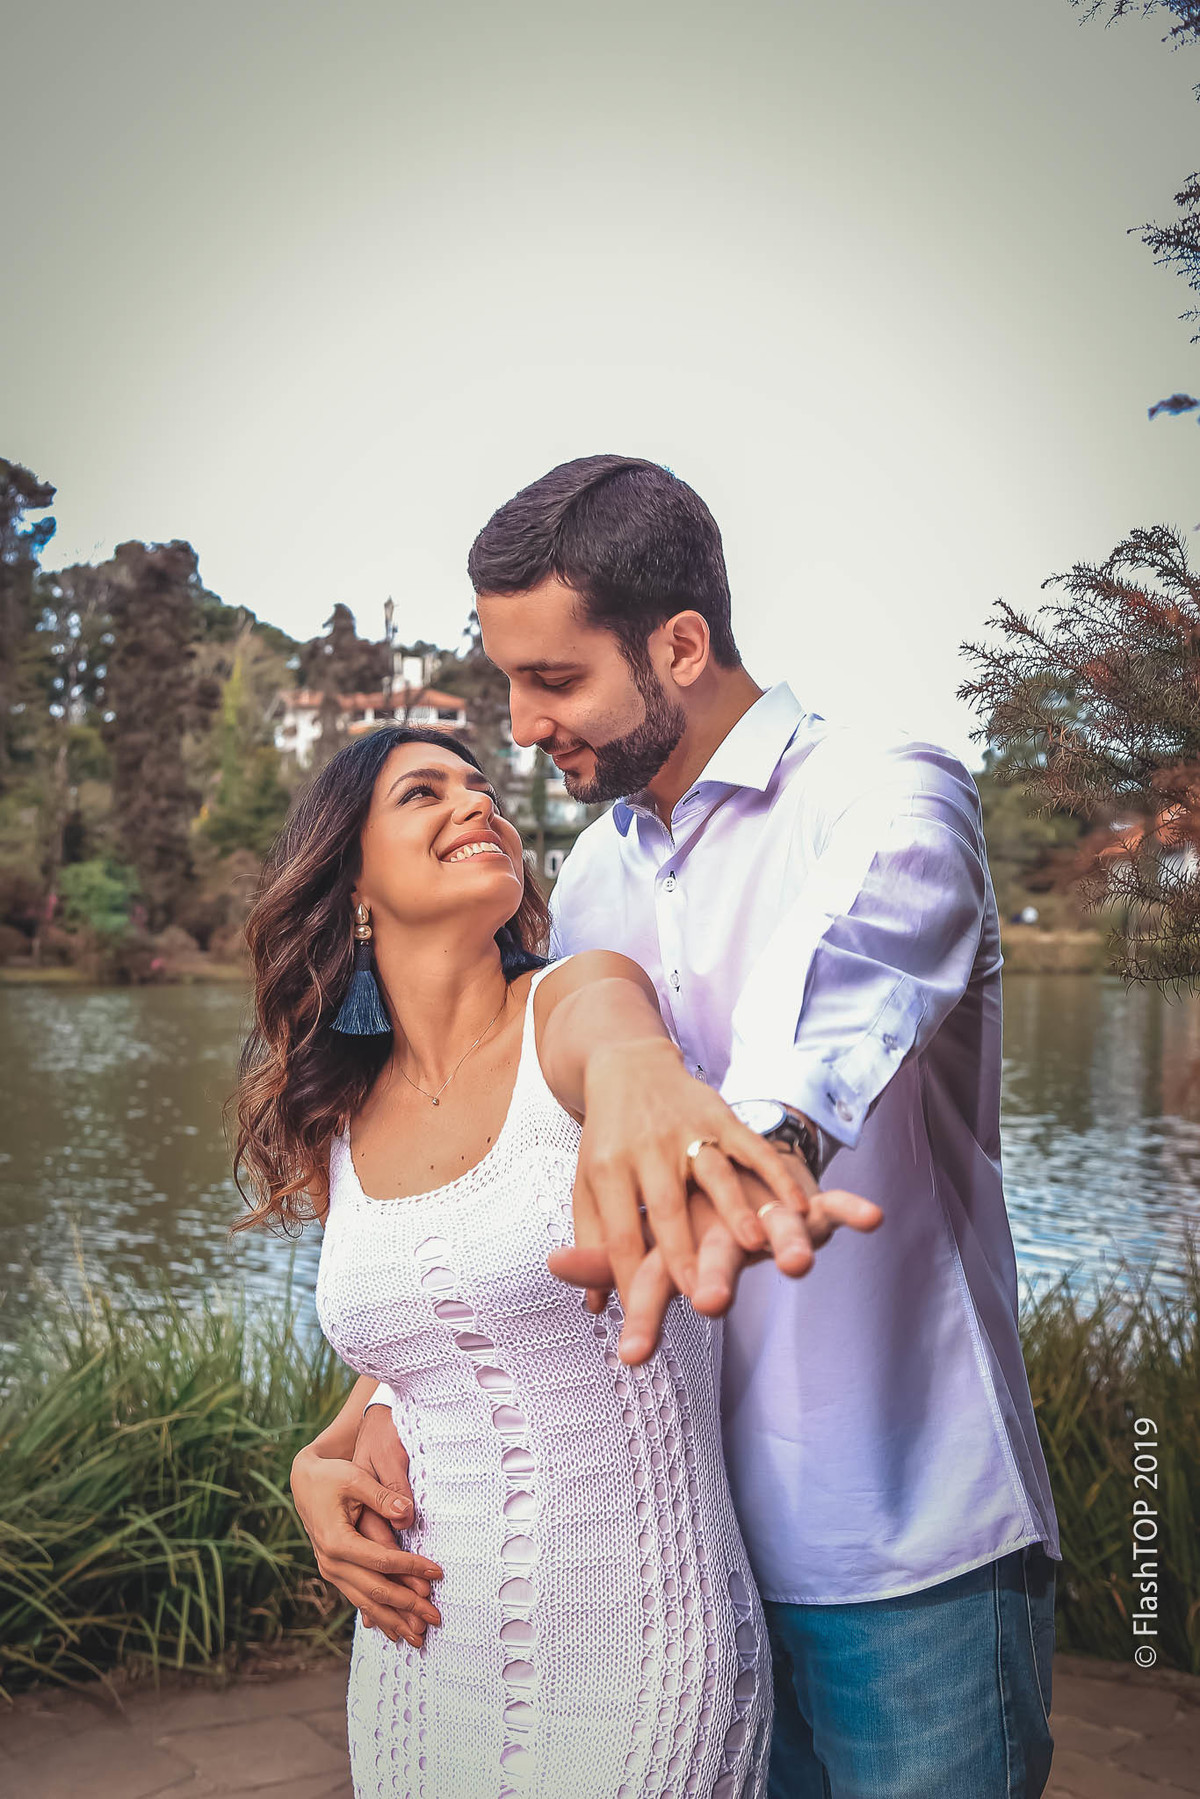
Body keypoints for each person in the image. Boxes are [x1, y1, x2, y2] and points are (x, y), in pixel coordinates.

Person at [301, 456, 1061, 1799]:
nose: (522, 730)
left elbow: (846, 986)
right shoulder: (591, 875)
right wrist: (359, 1414)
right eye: (510, 683)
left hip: (904, 1553)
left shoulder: (889, 798)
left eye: (553, 680)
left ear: (681, 644)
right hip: (676, 1573)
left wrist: (749, 1148)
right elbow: (513, 1192)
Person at [234, 722, 878, 1799]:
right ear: (351, 879)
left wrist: (674, 1103)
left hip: (643, 1651)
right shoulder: (338, 1114)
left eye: (484, 788)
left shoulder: (577, 1001)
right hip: (419, 1648)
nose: (477, 802)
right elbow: (440, 1330)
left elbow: (626, 1047)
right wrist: (320, 1457)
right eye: (424, 791)